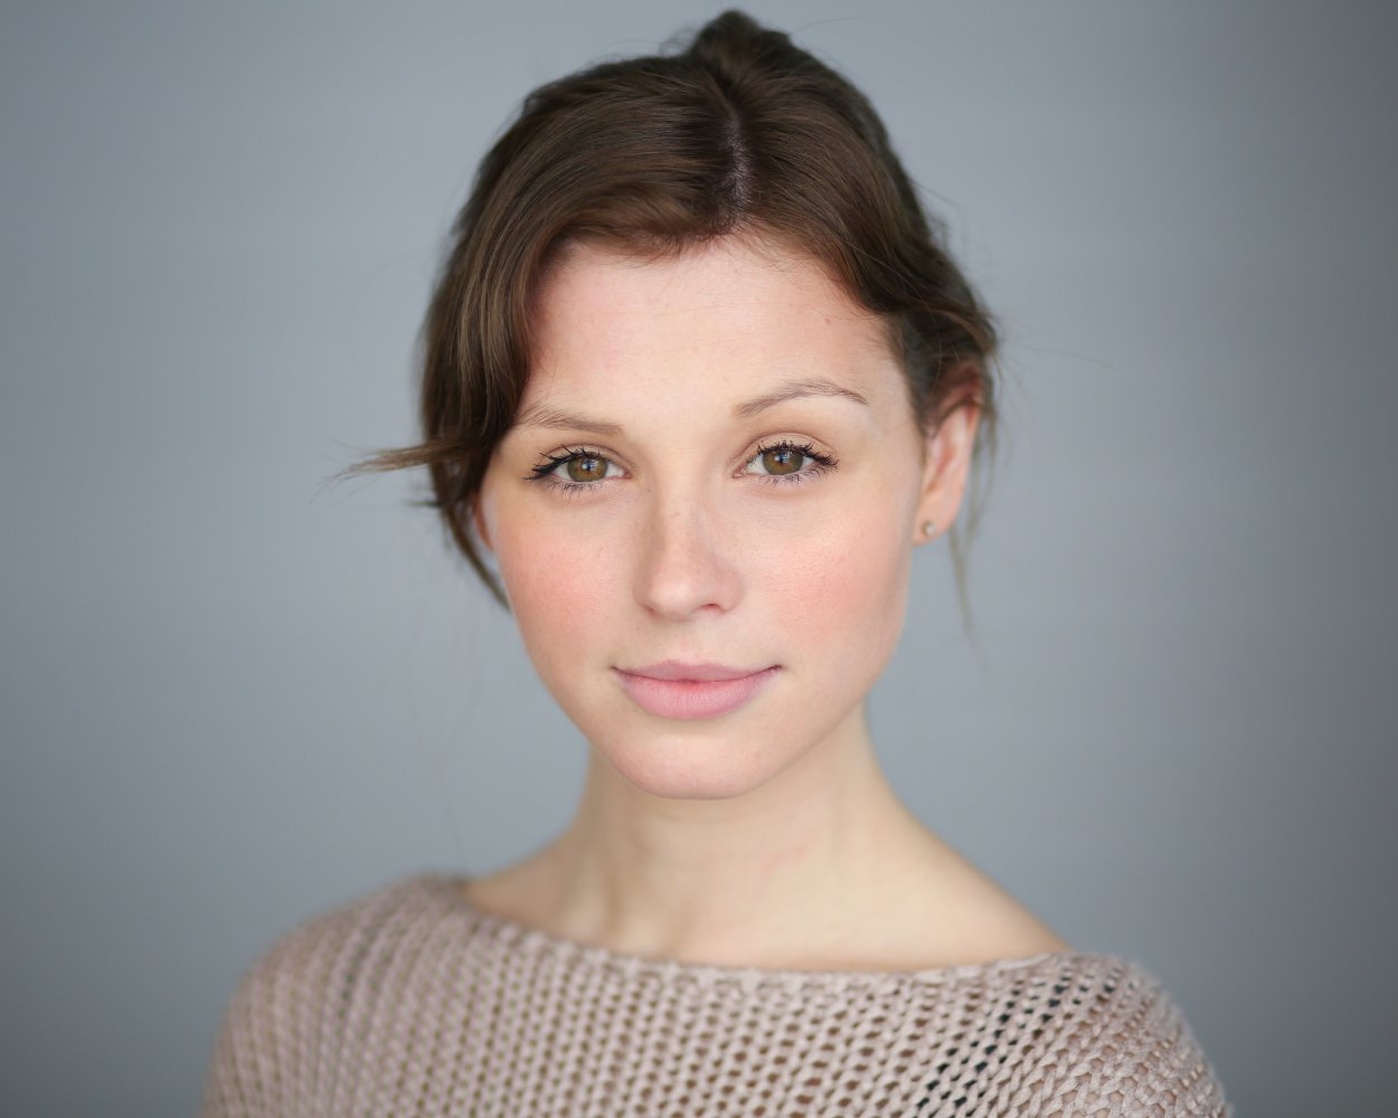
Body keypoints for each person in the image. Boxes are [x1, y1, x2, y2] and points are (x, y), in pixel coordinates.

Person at [201, 11, 1232, 1115]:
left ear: (940, 460)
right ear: (476, 491)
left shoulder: (1073, 1088)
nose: (679, 579)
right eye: (583, 465)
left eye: (785, 457)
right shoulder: (324, 1014)